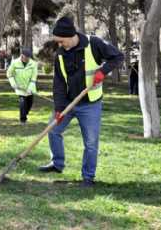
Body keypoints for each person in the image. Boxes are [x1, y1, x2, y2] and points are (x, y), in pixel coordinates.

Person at [38, 16, 124, 188]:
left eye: (61, 41)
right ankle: (57, 164)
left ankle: (88, 177)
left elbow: (118, 57)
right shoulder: (61, 55)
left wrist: (103, 71)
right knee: (53, 130)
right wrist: (59, 108)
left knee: (91, 143)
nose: (60, 45)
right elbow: (59, 84)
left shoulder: (94, 43)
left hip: (90, 104)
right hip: (69, 103)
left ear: (71, 35)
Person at [7, 48, 38, 124]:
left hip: (30, 87)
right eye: (26, 57)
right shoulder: (15, 63)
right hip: (19, 87)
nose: (28, 59)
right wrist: (13, 84)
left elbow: (33, 77)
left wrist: (30, 88)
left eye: (29, 57)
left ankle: (24, 114)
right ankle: (23, 120)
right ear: (22, 56)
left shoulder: (33, 64)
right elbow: (9, 74)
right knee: (22, 103)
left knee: (30, 103)